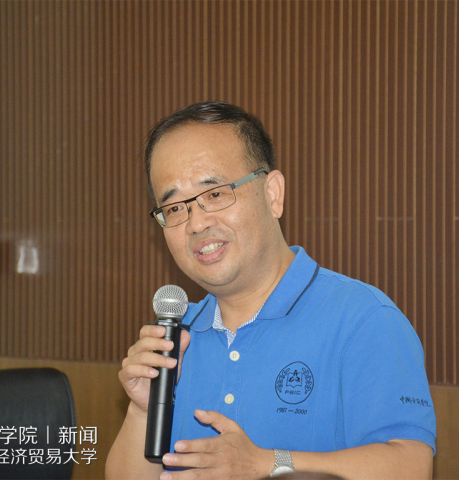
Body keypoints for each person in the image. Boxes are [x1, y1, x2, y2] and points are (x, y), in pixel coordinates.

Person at [106, 101, 436, 480]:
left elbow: (411, 466)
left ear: (273, 194)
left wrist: (266, 464)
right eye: (175, 208)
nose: (196, 223)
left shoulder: (362, 318)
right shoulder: (175, 338)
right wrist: (143, 411)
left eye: (215, 194)